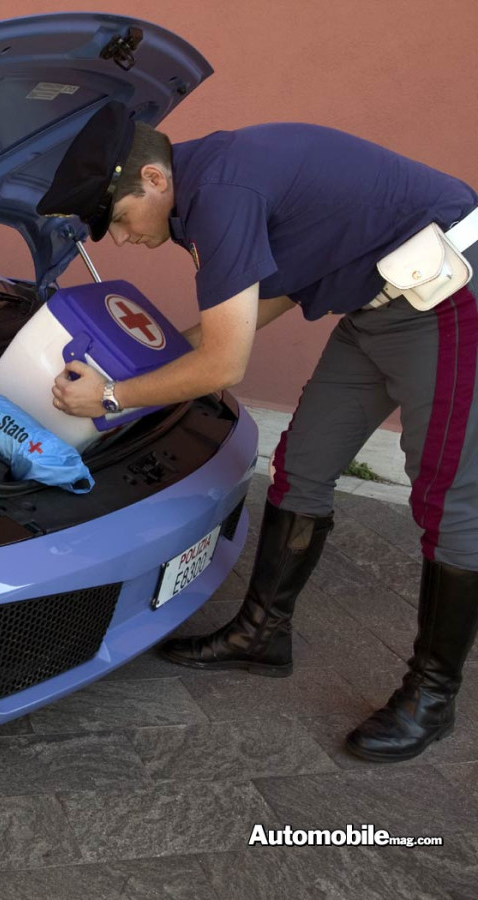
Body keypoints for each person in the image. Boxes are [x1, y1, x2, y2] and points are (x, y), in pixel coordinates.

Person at [37, 101, 478, 763]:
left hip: (448, 296)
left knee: (450, 503)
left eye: (120, 221)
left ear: (154, 180)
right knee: (302, 464)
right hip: (375, 302)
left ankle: (433, 694)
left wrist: (110, 397)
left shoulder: (221, 193)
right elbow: (264, 298)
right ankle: (263, 633)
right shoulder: (208, 184)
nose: (121, 239)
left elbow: (225, 364)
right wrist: (162, 360)